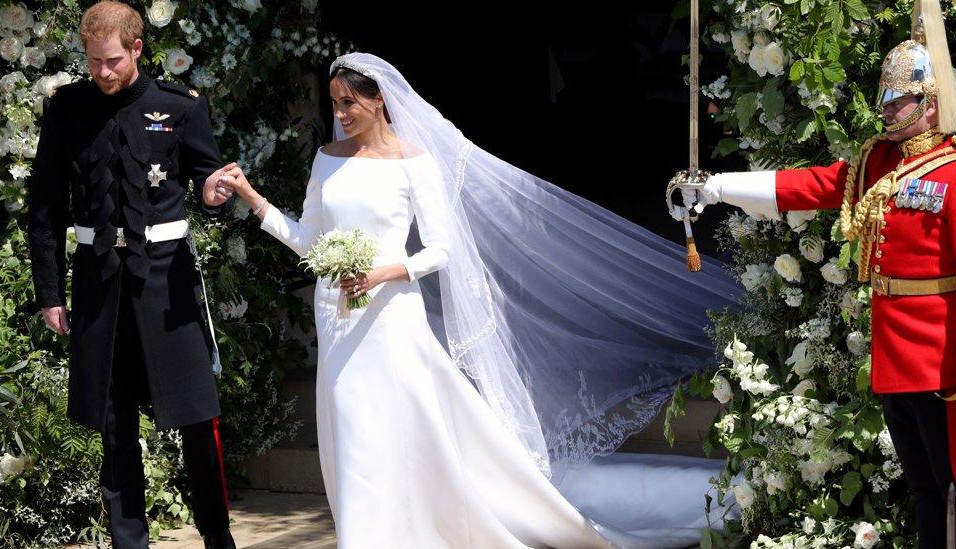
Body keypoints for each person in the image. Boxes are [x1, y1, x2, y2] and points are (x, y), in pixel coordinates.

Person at [221, 52, 739, 547]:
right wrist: (251, 196)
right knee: (350, 432)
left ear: (378, 100)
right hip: (336, 317)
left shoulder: (414, 162)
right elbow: (309, 240)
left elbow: (441, 250)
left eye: (347, 104)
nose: (338, 115)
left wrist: (385, 271)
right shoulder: (327, 159)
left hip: (390, 316)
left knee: (395, 426)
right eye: (333, 104)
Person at [690, 1, 956, 545]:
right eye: (886, 99)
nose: (887, 110)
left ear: (929, 104)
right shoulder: (878, 162)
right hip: (895, 359)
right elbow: (810, 186)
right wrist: (716, 188)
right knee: (926, 490)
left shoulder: (951, 172)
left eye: (899, 100)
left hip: (941, 366)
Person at [26, 2, 236, 547]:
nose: (102, 72)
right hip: (99, 285)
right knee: (114, 423)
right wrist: (49, 294)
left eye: (113, 60)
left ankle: (218, 538)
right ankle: (128, 542)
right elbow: (45, 208)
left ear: (137, 49)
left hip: (167, 285)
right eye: (93, 61)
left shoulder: (180, 106)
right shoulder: (67, 108)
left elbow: (206, 176)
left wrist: (212, 193)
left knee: (197, 420)